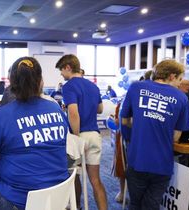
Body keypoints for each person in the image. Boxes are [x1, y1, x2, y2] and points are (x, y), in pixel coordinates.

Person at [0, 57, 69, 210]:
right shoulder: (56, 109)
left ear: (12, 84)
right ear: (40, 81)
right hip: (59, 195)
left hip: (19, 200)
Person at [121, 60, 189, 209]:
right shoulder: (182, 98)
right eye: (179, 79)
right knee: (151, 205)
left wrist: (142, 125)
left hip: (137, 159)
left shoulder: (136, 87)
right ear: (172, 76)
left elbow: (124, 120)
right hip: (162, 163)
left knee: (135, 203)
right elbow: (176, 137)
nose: (180, 84)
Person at [56, 54, 107, 209]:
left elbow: (73, 113)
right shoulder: (93, 86)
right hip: (95, 135)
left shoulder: (69, 86)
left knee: (74, 176)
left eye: (61, 71)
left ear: (68, 67)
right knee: (95, 180)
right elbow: (100, 109)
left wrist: (76, 138)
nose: (61, 75)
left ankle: (76, 206)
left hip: (79, 135)